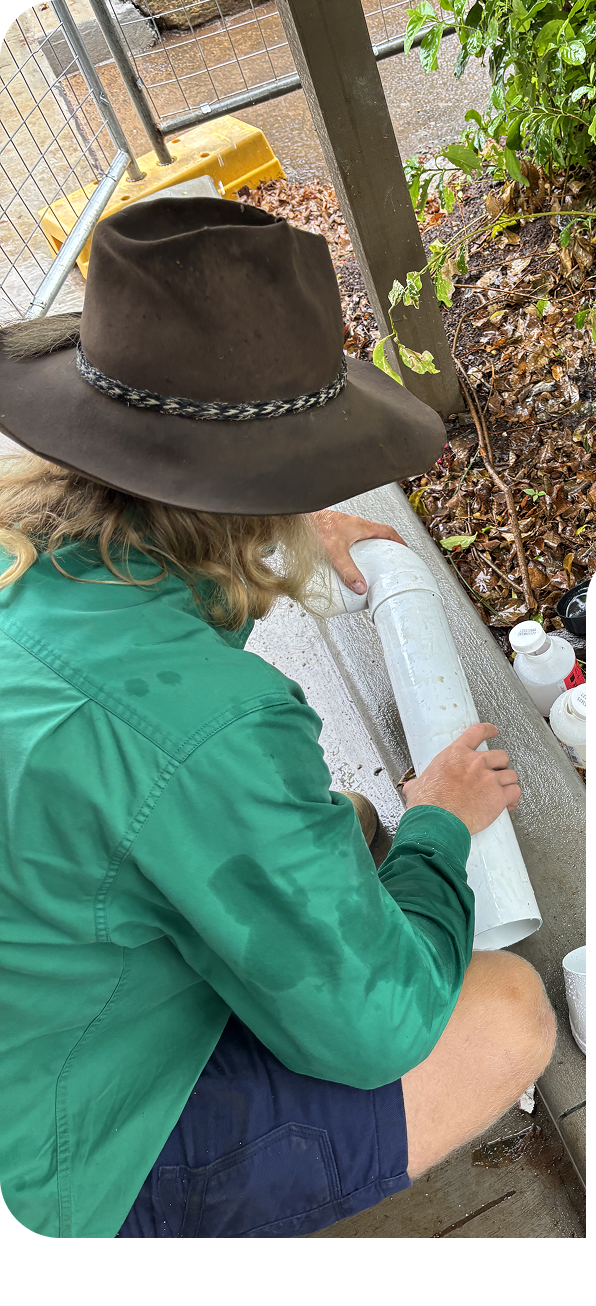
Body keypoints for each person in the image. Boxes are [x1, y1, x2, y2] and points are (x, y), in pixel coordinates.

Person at [0, 197, 555, 1238]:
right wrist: (436, 824)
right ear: (257, 487)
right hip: (65, 1166)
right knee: (506, 1011)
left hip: (35, 1016)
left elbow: (138, 683)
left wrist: (262, 546)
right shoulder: (222, 727)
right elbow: (377, 1027)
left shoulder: (27, 552)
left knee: (337, 818)